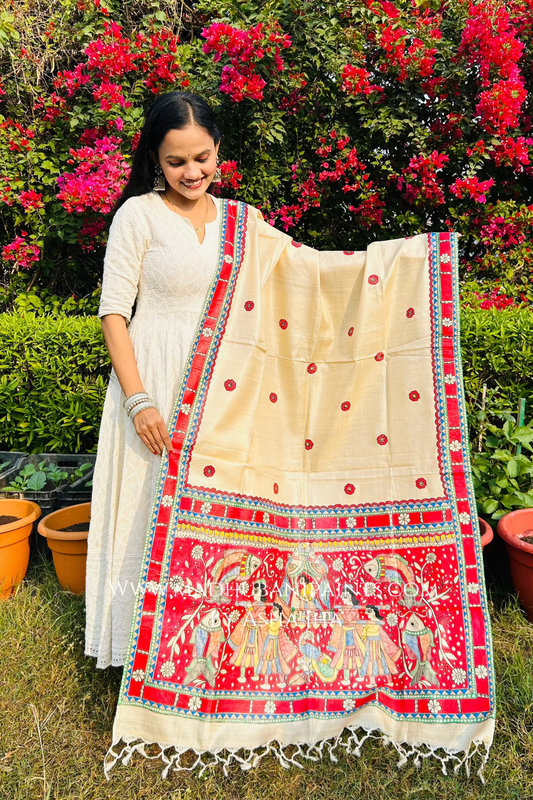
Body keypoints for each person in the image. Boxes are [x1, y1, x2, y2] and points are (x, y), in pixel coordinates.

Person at [84, 92, 224, 668]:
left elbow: (303, 273)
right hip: (152, 379)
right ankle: (134, 647)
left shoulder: (241, 221)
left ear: (219, 151)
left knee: (206, 510)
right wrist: (138, 401)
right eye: (176, 162)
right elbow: (114, 312)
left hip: (217, 381)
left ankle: (202, 647)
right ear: (155, 160)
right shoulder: (137, 216)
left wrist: (399, 265)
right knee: (145, 506)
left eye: (203, 158)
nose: (192, 172)